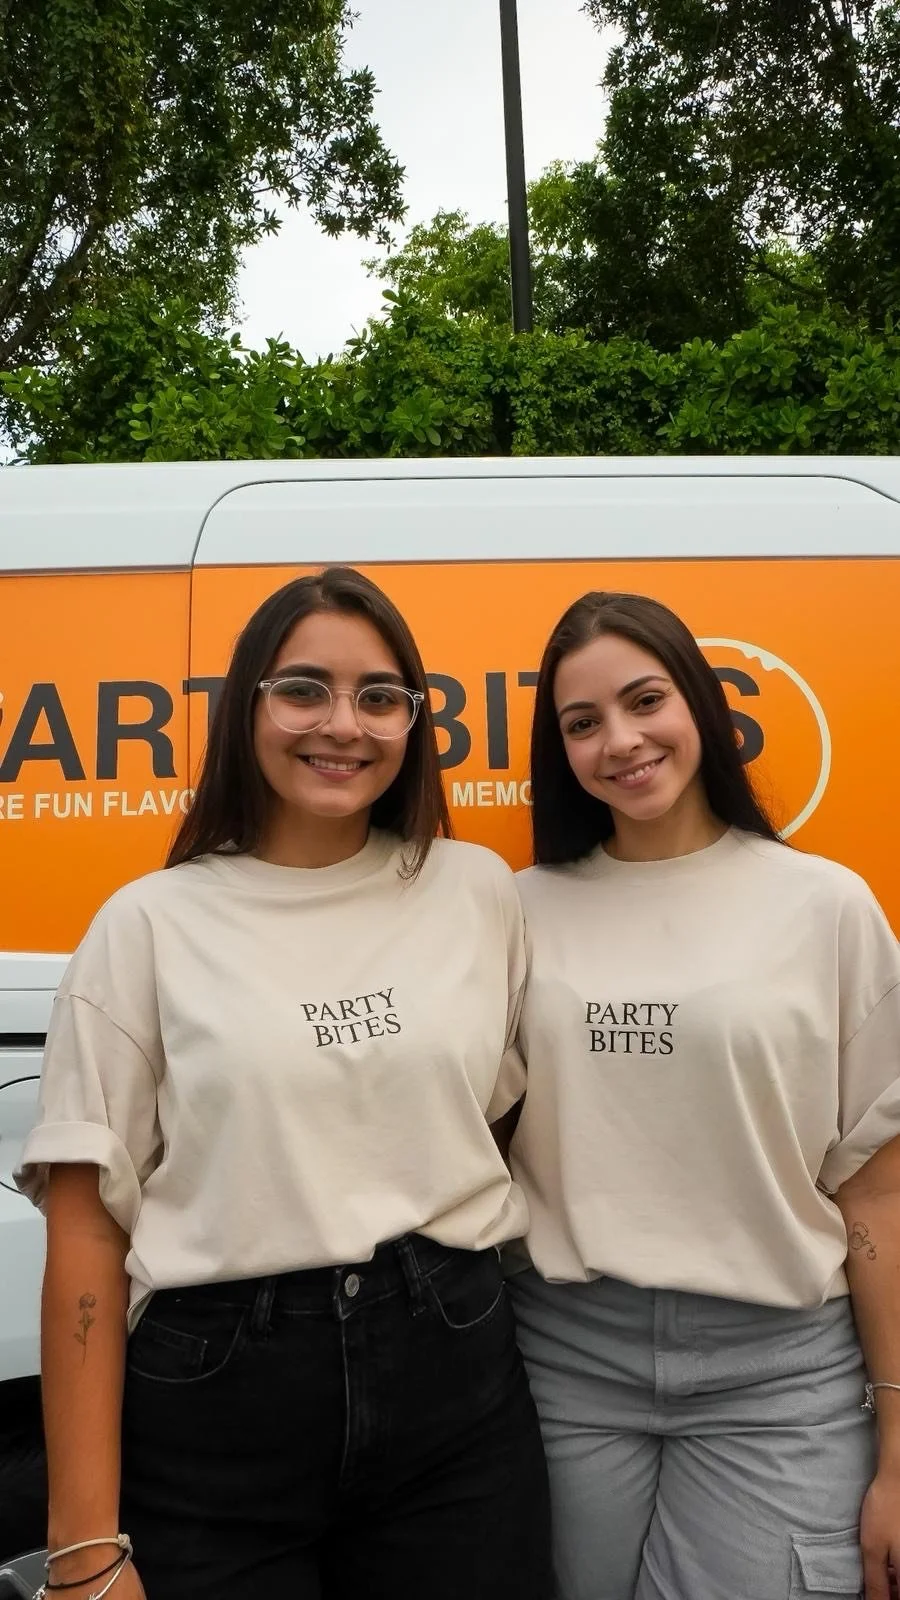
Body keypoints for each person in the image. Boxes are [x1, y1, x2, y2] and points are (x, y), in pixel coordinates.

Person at [16, 567, 552, 1600]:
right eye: (303, 688)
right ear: (246, 707)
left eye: (379, 695)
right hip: (217, 1406)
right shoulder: (148, 924)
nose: (342, 723)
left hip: (454, 1378)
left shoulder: (476, 890)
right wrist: (84, 1547)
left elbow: (500, 1115)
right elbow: (85, 1228)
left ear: (412, 721)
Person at [506, 589, 900, 1600]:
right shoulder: (515, 912)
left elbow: (880, 1196)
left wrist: (899, 1445)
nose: (621, 741)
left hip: (783, 1372)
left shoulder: (826, 905)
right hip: (563, 1356)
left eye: (647, 700)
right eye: (582, 722)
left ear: (703, 704)